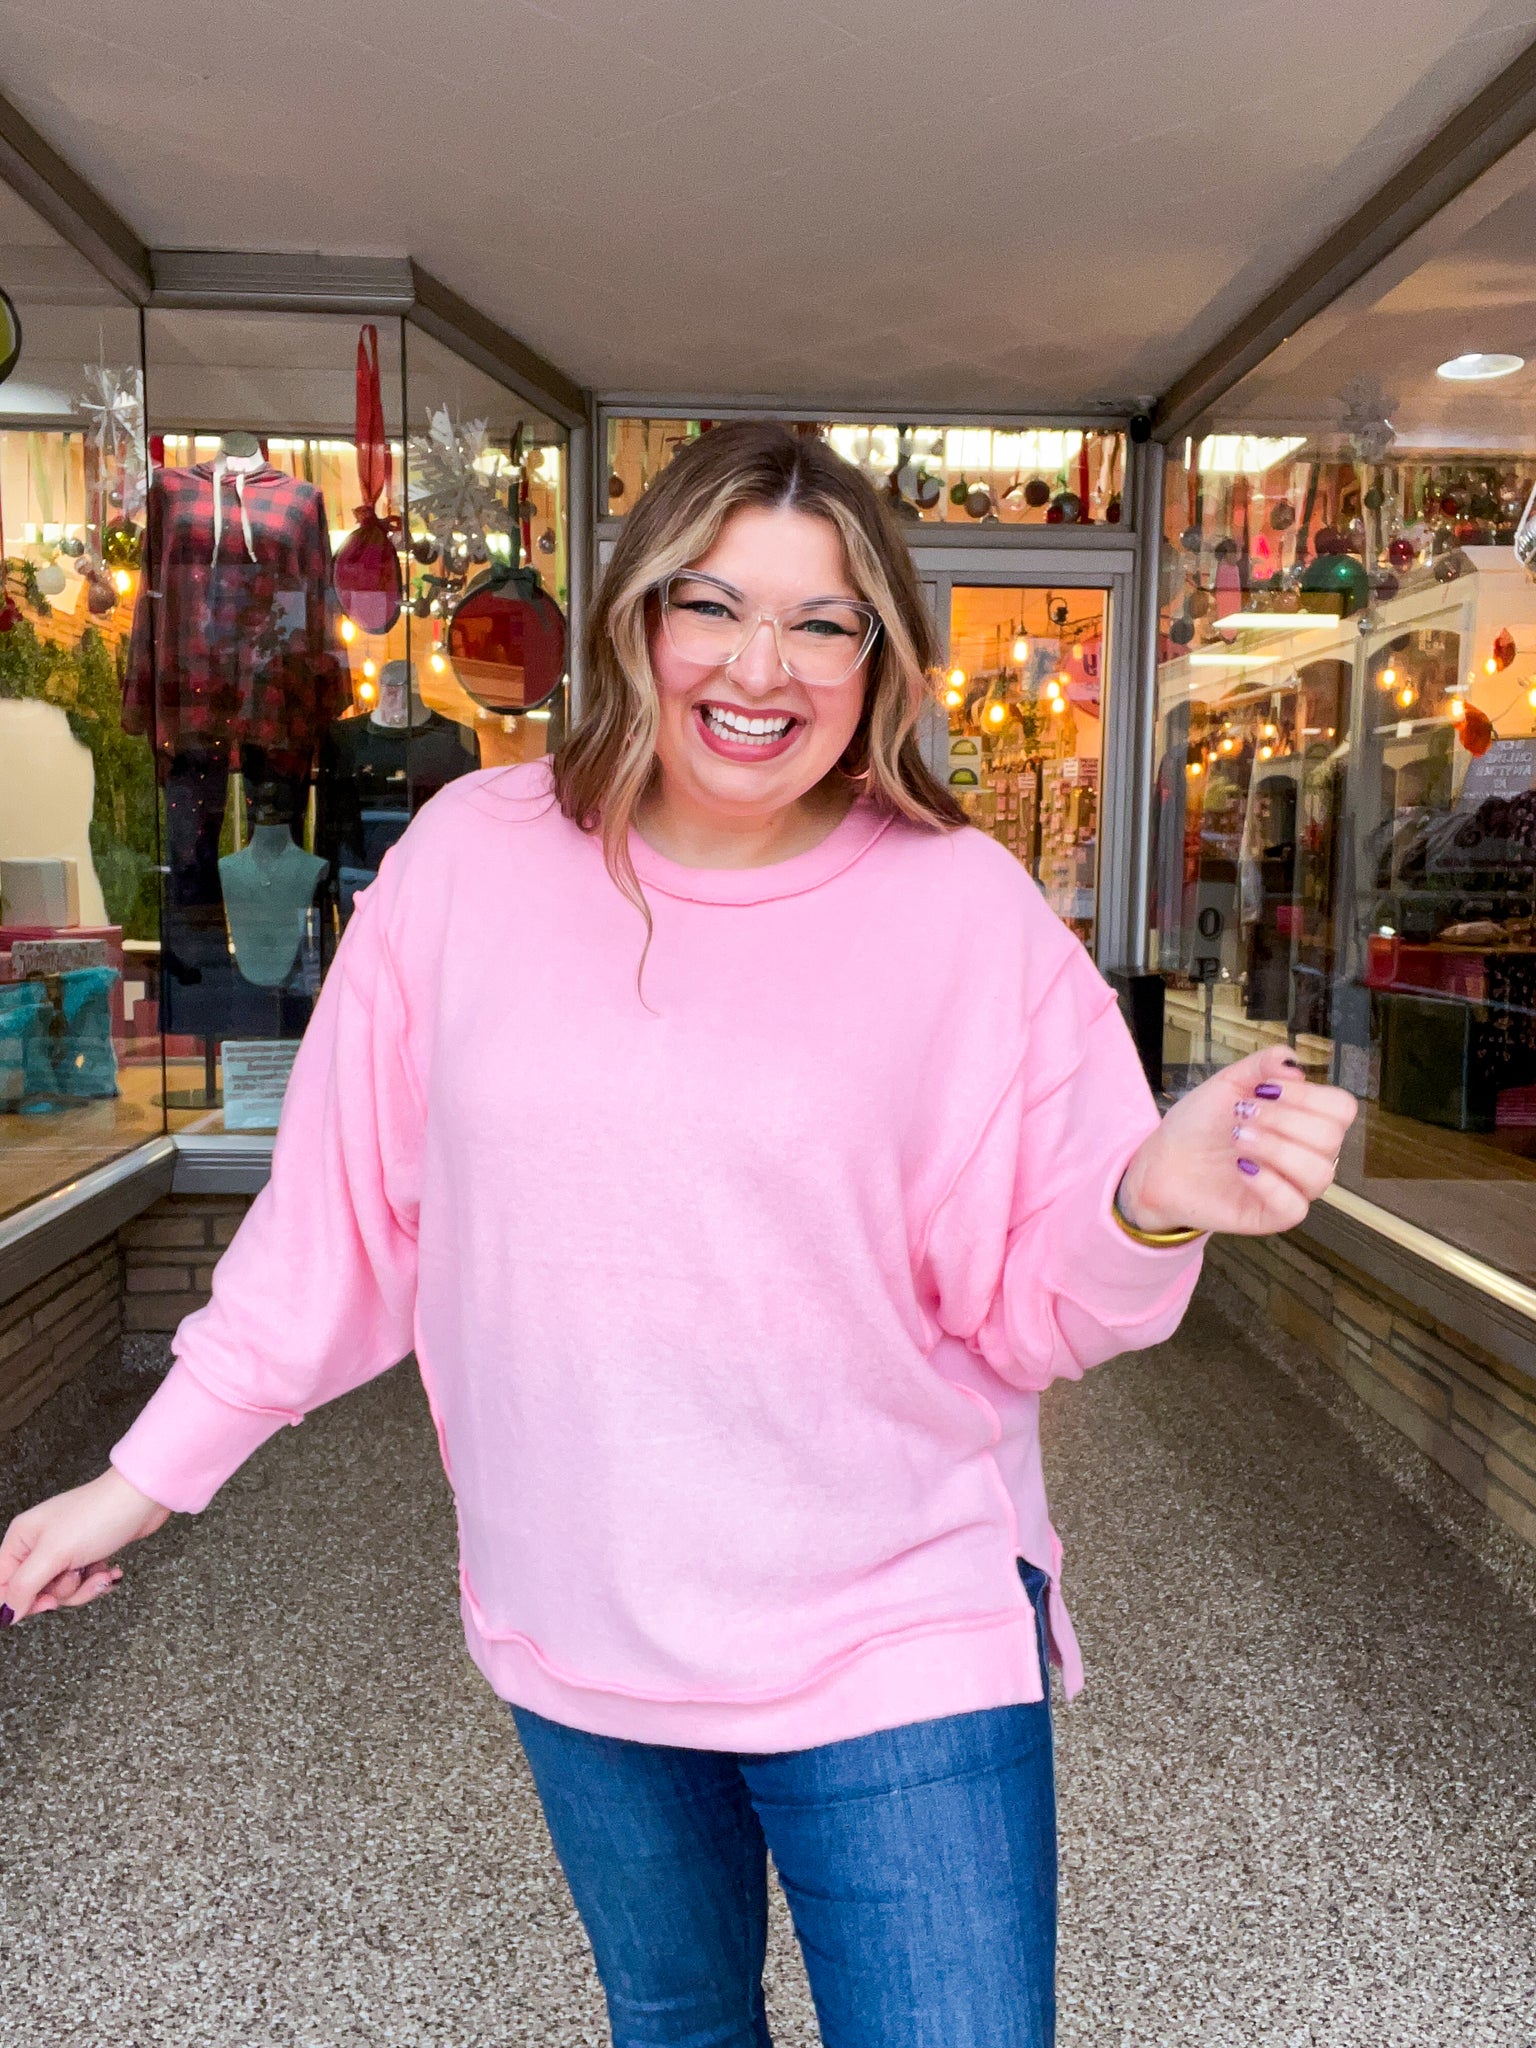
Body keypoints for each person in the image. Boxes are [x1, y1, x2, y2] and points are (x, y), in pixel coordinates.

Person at [0, 422, 1356, 2048]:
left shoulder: (963, 910)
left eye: (822, 621)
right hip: (586, 1620)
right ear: (637, 618)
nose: (758, 668)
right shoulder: (471, 862)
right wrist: (140, 1481)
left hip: (896, 1622)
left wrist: (1150, 1203)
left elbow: (1030, 1311)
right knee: (681, 2026)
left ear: (880, 661)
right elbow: (337, 1225)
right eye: (711, 604)